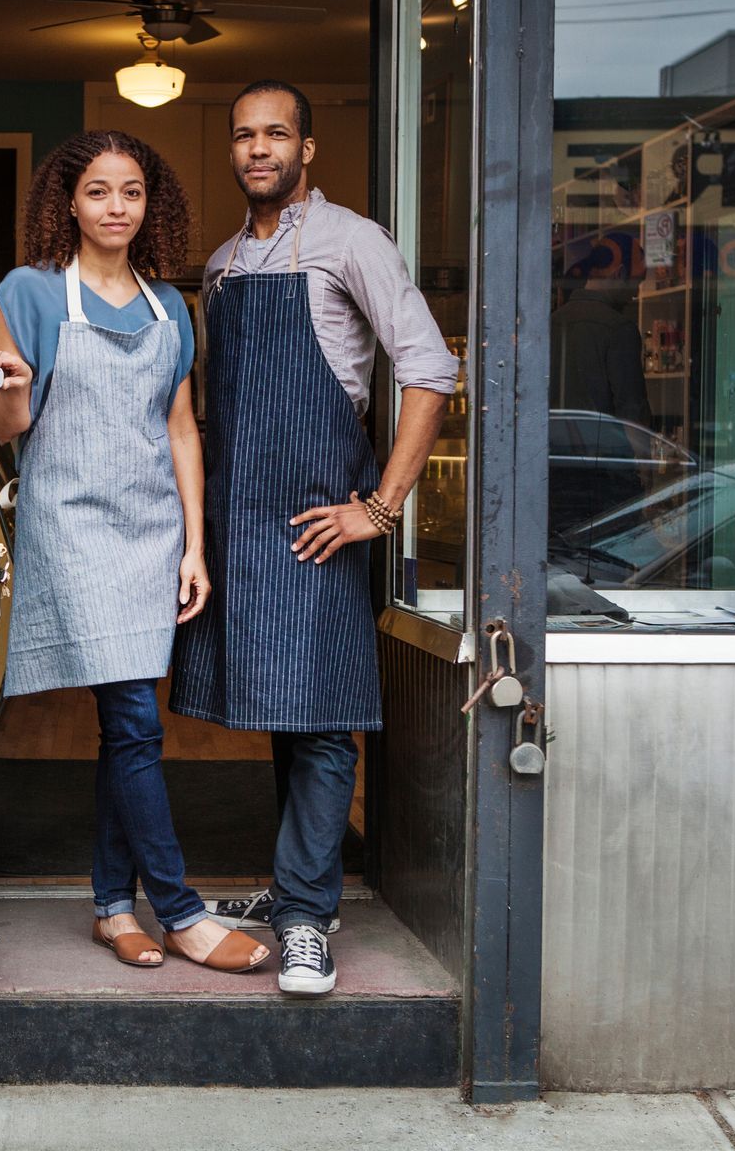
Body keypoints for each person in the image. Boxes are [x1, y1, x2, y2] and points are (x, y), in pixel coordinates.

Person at [172, 81, 457, 997]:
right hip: (240, 519)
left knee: (325, 718)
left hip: (318, 524)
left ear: (307, 149)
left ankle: (303, 919)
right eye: (244, 136)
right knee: (284, 715)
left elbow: (430, 370)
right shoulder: (223, 266)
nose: (259, 149)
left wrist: (378, 507)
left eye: (276, 134)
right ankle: (305, 889)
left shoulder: (352, 240)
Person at [0, 130, 271, 975]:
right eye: (99, 192)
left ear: (152, 205)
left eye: (133, 192)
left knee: (127, 723)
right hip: (72, 524)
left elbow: (181, 428)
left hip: (152, 530)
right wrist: (13, 391)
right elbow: (5, 426)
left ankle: (113, 909)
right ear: (70, 204)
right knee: (136, 718)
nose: (117, 207)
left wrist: (194, 544)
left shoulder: (168, 306)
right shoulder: (30, 292)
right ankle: (180, 911)